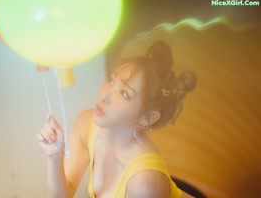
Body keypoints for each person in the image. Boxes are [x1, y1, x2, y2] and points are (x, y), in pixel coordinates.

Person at [36, 41, 197, 198]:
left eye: (124, 93)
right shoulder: (86, 124)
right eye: (111, 80)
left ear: (147, 118)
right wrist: (54, 158)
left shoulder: (145, 182)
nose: (105, 95)